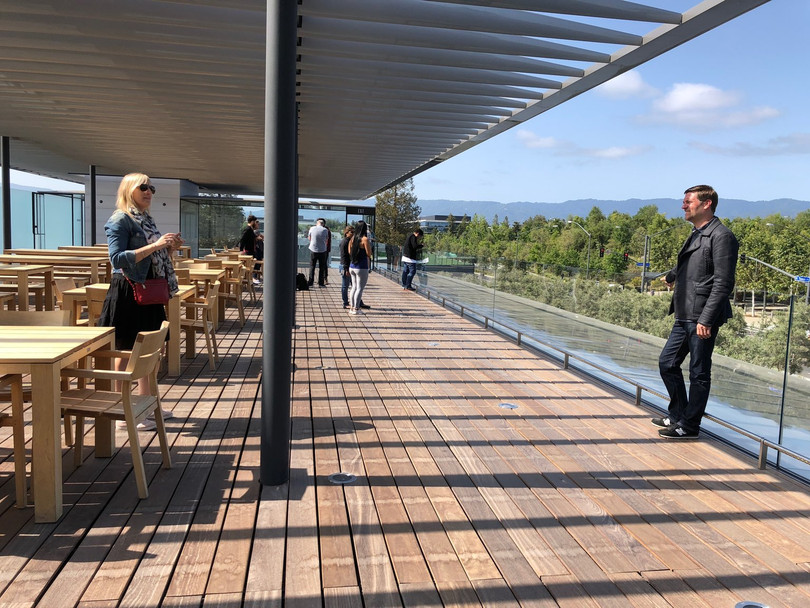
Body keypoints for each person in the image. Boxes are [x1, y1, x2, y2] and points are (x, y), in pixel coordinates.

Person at [99, 173, 184, 430]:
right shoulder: (120, 219)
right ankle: (123, 410)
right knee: (126, 352)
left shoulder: (145, 219)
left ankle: (146, 404)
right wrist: (156, 245)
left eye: (151, 188)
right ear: (129, 190)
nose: (149, 192)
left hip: (148, 289)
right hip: (129, 290)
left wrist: (168, 247)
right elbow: (116, 259)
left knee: (151, 351)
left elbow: (152, 256)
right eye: (143, 187)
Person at [654, 185, 739, 440]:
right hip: (684, 312)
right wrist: (672, 275)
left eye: (688, 202)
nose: (683, 206)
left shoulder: (722, 236)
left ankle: (689, 425)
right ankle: (678, 414)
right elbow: (691, 262)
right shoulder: (698, 232)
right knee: (667, 363)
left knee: (699, 372)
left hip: (702, 316)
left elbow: (723, 283)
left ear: (706, 204)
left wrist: (707, 319)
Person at [339, 226, 370, 310]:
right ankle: (346, 303)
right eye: (351, 232)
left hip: (351, 265)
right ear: (346, 233)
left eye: (354, 232)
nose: (353, 234)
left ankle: (358, 302)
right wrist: (346, 268)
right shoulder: (345, 242)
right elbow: (344, 256)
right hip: (345, 265)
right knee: (345, 286)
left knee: (354, 286)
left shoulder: (351, 241)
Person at [348, 220, 372, 315]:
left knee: (353, 287)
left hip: (352, 265)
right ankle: (356, 308)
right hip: (361, 266)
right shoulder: (364, 239)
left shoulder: (352, 238)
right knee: (360, 288)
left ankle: (351, 307)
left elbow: (349, 251)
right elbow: (368, 253)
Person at [239, 215, 263, 284]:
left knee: (252, 265)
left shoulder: (250, 229)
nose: (256, 223)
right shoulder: (248, 229)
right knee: (250, 266)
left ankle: (251, 278)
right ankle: (251, 278)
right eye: (255, 222)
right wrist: (241, 250)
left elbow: (251, 237)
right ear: (252, 221)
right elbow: (242, 239)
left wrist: (257, 238)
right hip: (249, 251)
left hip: (251, 251)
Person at [307, 218, 329, 287]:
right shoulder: (325, 230)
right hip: (322, 250)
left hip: (313, 249)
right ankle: (321, 283)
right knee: (321, 267)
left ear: (317, 223)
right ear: (323, 224)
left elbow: (309, 238)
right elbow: (326, 239)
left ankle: (310, 282)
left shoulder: (312, 228)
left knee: (312, 266)